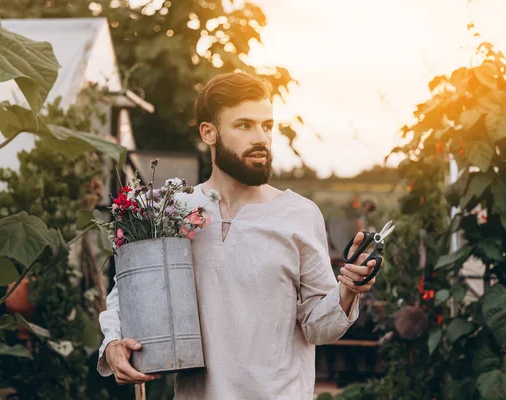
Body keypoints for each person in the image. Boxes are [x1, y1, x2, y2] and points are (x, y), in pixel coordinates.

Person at [97, 72, 379, 399]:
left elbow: (319, 327)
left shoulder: (299, 215)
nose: (260, 137)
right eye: (244, 125)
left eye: (267, 126)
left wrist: (347, 290)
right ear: (209, 133)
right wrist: (113, 343)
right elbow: (131, 289)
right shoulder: (171, 210)